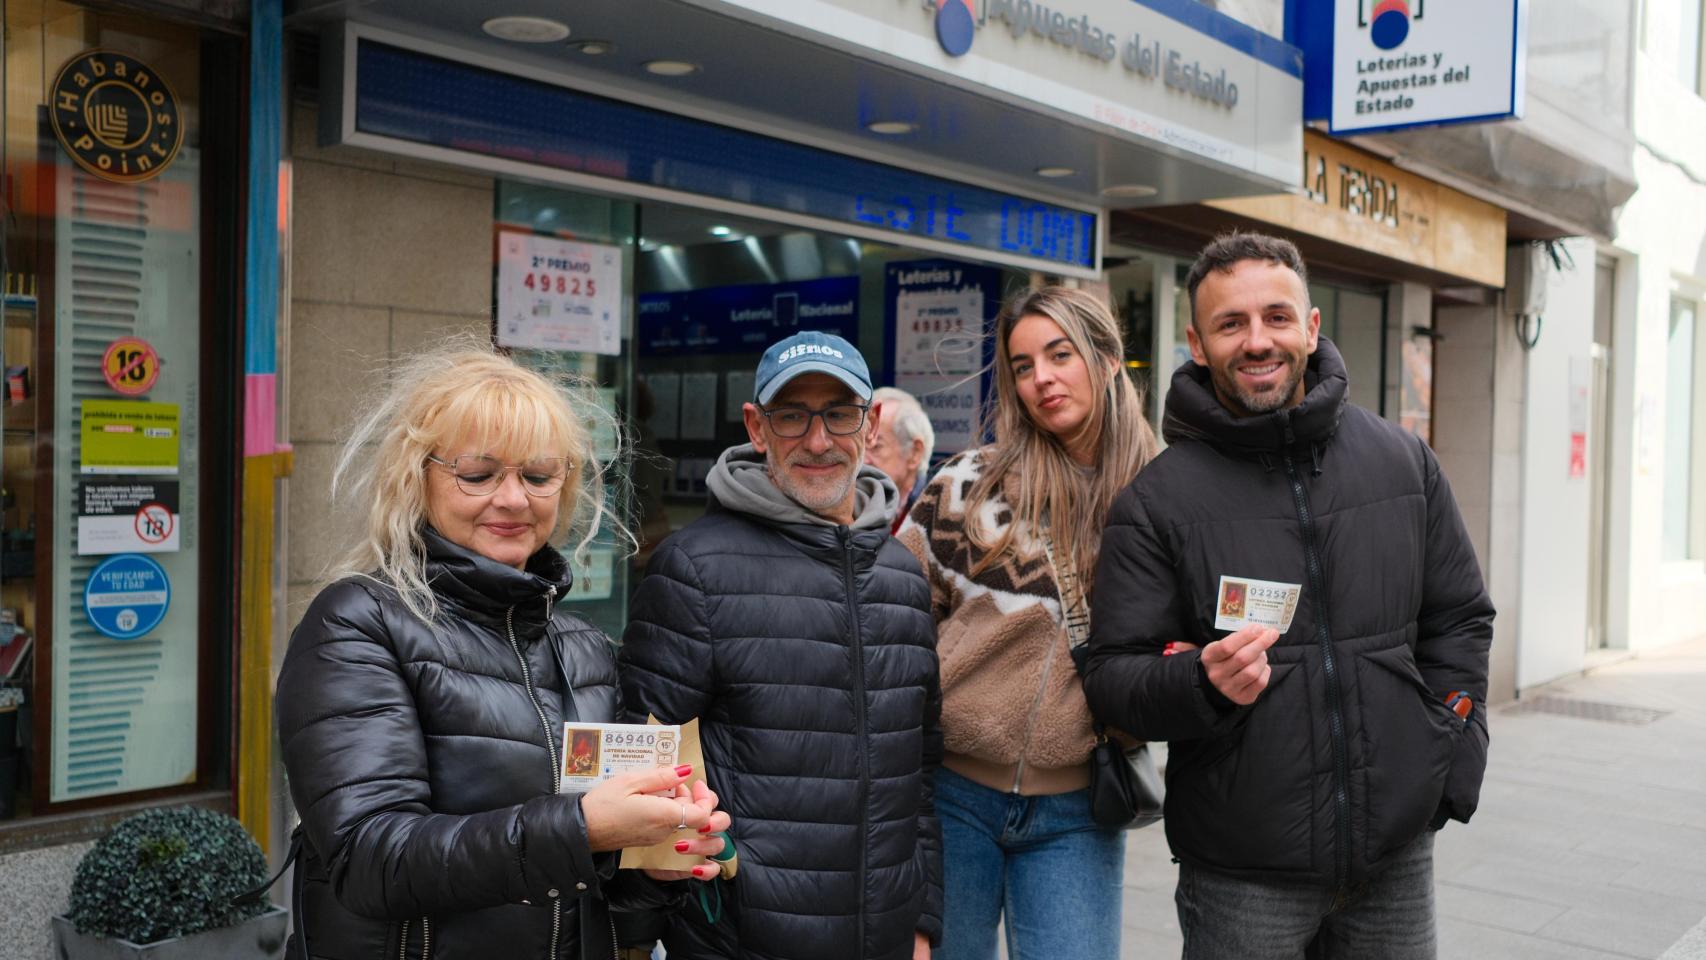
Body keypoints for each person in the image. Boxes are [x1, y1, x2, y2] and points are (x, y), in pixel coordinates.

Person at [1084, 232, 1494, 959]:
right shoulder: (1155, 502)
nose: (1256, 340)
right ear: (1197, 344)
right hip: (1241, 873)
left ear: (1310, 327)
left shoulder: (1403, 463)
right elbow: (1114, 676)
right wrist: (1201, 683)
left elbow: (1459, 619)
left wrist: (1451, 747)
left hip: (1394, 857)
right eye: (1230, 323)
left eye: (1276, 316)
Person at [276, 344, 731, 960]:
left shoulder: (584, 649)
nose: (514, 499)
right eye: (478, 474)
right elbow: (370, 859)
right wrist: (584, 827)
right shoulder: (359, 622)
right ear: (417, 478)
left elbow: (593, 897)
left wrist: (650, 861)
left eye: (538, 476)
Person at [619, 330, 943, 960]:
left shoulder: (903, 577)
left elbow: (922, 774)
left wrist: (922, 922)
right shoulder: (694, 569)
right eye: (792, 415)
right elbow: (641, 771)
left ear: (871, 423)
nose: (817, 441)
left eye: (839, 414)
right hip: (739, 941)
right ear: (757, 427)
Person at [897, 286, 1160, 960]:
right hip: (952, 797)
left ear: (1107, 359)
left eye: (1059, 355)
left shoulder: (1162, 500)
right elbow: (894, 623)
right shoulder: (969, 485)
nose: (1041, 377)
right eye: (1023, 365)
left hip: (1080, 809)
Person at [867, 385, 936, 533]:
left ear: (914, 453)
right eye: (861, 446)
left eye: (876, 447)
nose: (863, 460)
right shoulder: (849, 508)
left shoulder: (939, 517)